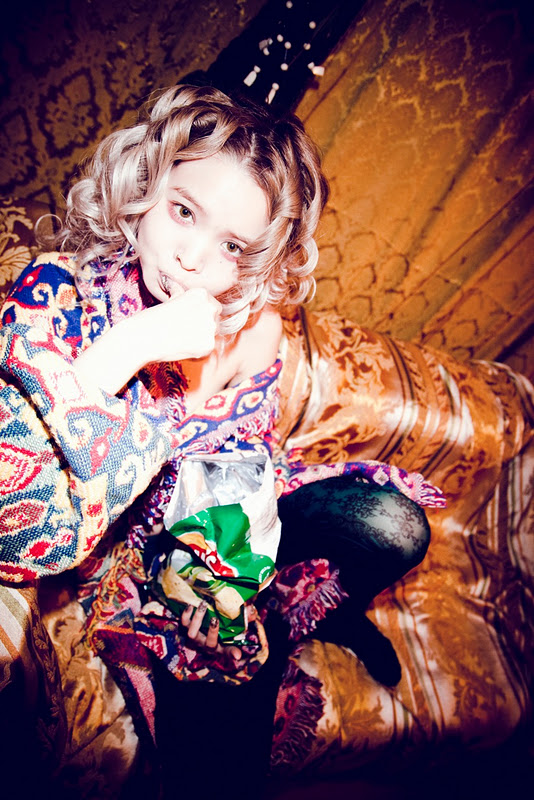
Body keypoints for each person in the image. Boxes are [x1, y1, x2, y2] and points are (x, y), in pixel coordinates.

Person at [0, 84, 444, 796]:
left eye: (232, 246)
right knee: (218, 769)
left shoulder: (258, 325)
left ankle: (310, 613)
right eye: (183, 211)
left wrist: (244, 569)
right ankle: (276, 630)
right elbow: (16, 532)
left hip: (236, 525)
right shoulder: (58, 296)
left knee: (396, 525)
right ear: (143, 187)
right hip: (146, 562)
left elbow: (247, 463)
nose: (192, 259)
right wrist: (133, 345)